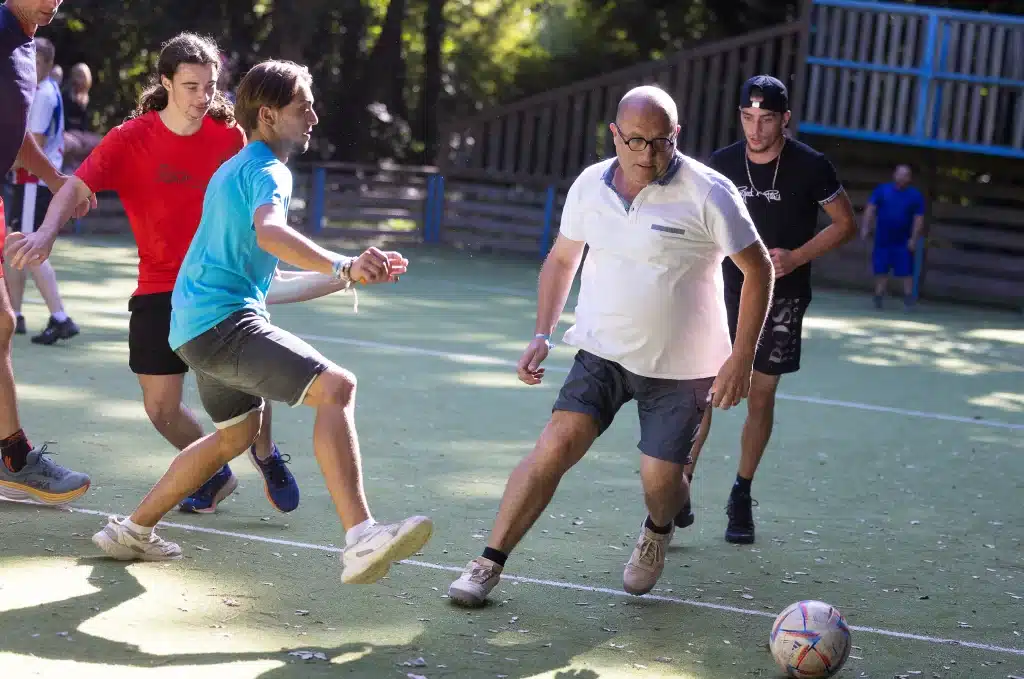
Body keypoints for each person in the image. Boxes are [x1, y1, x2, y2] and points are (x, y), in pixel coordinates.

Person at [81, 59, 433, 583]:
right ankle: (362, 537)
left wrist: (348, 276)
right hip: (222, 327)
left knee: (235, 435)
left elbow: (264, 283)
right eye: (303, 106)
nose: (314, 116)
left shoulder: (236, 169)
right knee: (337, 387)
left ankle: (132, 530)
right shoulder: (269, 170)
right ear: (268, 115)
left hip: (194, 328)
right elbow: (270, 233)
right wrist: (341, 262)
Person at [447, 85, 774, 606]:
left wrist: (741, 357)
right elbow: (561, 260)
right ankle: (489, 561)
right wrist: (541, 333)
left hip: (681, 368)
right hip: (602, 353)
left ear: (677, 136)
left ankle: (658, 528)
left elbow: (759, 270)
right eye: (637, 142)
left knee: (658, 481)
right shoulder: (588, 186)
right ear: (615, 135)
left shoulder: (710, 192)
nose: (649, 155)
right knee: (553, 447)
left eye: (661, 143)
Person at [6, 32, 300, 513]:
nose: (203, 98)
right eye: (190, 86)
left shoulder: (230, 139)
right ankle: (213, 471)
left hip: (220, 285)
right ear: (165, 83)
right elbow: (76, 187)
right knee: (160, 409)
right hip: (159, 286)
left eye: (209, 86)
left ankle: (264, 452)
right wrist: (45, 234)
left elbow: (260, 195)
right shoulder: (130, 139)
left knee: (248, 380)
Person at [679, 75, 858, 544]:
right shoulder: (719, 165)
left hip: (783, 295)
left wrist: (796, 257)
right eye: (748, 117)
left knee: (760, 395)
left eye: (767, 119)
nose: (756, 129)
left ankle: (742, 492)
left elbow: (845, 224)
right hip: (721, 293)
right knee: (705, 390)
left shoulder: (811, 166)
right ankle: (680, 487)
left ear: (785, 120)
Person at [0, 0, 92, 505]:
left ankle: (11, 456)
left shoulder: (23, 45)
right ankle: (12, 455)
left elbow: (13, 139)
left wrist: (59, 180)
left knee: (3, 323)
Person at [4, 36, 79, 344]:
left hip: (34, 180)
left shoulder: (44, 94)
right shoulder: (41, 90)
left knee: (30, 247)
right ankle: (16, 313)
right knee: (15, 243)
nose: (29, 66)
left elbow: (31, 140)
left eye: (36, 62)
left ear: (48, 64)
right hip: (29, 180)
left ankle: (60, 317)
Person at [860, 164, 925, 309]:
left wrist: (914, 239)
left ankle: (908, 297)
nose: (902, 177)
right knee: (881, 268)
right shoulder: (882, 190)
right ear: (894, 175)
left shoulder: (915, 196)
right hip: (883, 237)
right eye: (900, 174)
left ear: (909, 178)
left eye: (906, 175)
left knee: (906, 269)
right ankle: (878, 296)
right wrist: (865, 227)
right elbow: (870, 209)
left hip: (903, 239)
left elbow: (918, 219)